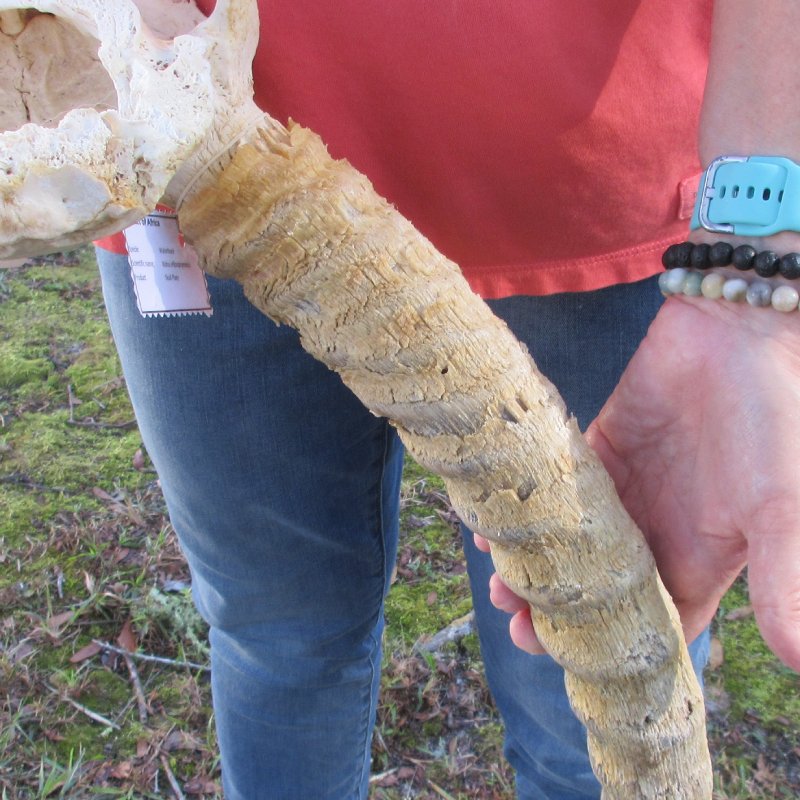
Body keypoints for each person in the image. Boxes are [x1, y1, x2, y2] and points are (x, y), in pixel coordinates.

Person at [92, 2, 800, 797]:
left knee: (589, 704)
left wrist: (756, 270)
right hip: (184, 153)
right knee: (276, 640)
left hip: (573, 199)